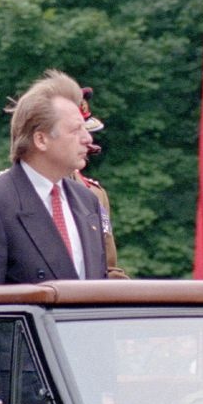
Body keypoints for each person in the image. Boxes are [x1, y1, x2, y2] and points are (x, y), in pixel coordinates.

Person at [0, 69, 107, 404]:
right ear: (40, 138)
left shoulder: (86, 202)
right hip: (21, 397)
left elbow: (101, 304)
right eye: (75, 130)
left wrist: (107, 391)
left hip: (83, 390)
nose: (87, 139)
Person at [72, 85, 129, 280]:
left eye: (87, 133)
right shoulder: (11, 192)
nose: (88, 140)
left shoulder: (95, 194)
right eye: (76, 132)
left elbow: (108, 267)